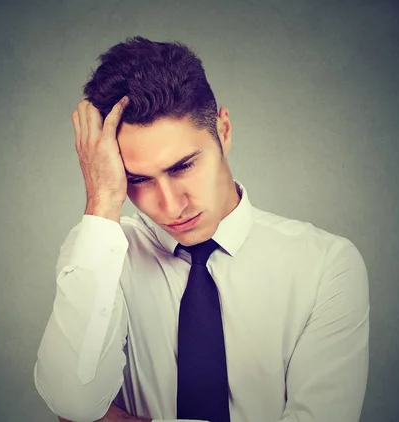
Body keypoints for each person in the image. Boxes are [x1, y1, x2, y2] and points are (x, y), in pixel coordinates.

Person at [33, 36, 370, 422]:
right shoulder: (98, 252)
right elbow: (73, 404)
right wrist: (104, 198)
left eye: (183, 166)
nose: (172, 205)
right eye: (137, 179)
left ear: (223, 131)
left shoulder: (326, 265)